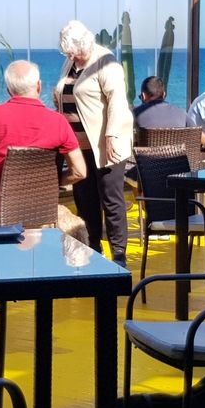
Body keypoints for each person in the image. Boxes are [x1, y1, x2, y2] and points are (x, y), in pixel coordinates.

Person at [54, 20, 133, 262]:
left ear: (85, 44)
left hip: (104, 145)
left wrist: (111, 135)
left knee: (111, 200)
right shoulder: (71, 63)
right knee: (84, 198)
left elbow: (117, 102)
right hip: (76, 146)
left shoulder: (106, 62)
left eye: (73, 52)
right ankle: (92, 250)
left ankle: (118, 255)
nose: (71, 57)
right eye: (68, 53)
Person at [0, 59, 85, 215]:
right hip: (38, 208)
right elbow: (80, 172)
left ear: (8, 90)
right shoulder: (58, 122)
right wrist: (48, 183)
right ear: (39, 86)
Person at [133, 75, 199, 131]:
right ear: (164, 94)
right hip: (176, 146)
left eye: (140, 97)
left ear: (144, 96)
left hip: (145, 146)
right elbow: (197, 133)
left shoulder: (135, 114)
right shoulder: (181, 113)